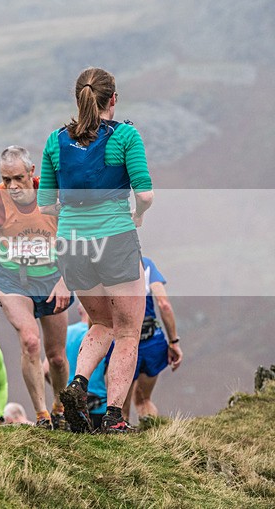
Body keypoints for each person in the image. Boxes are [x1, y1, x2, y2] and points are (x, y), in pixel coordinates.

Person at [38, 67, 154, 434]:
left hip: (72, 245)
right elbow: (146, 194)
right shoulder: (126, 137)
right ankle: (114, 417)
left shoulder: (55, 141)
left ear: (78, 99)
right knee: (127, 331)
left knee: (101, 322)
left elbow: (45, 206)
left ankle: (77, 385)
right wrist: (137, 214)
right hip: (116, 241)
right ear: (113, 100)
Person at [0, 146, 73, 430]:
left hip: (53, 276)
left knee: (56, 355)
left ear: (31, 172)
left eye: (18, 178)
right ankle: (42, 415)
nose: (13, 186)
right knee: (30, 341)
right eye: (6, 180)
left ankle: (60, 407)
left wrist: (66, 281)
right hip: (12, 278)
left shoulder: (53, 195)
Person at [113, 256, 182, 423]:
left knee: (120, 406)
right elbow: (164, 304)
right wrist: (173, 341)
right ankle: (156, 438)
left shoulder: (109, 266)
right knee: (143, 400)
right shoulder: (146, 264)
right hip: (152, 342)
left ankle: (123, 445)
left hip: (122, 343)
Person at [65, 303, 108, 427]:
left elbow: (46, 370)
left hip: (72, 404)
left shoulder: (67, 333)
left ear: (79, 310)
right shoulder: (107, 336)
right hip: (100, 405)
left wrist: (63, 389)